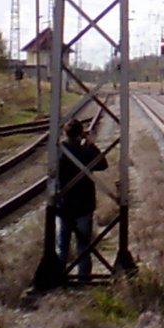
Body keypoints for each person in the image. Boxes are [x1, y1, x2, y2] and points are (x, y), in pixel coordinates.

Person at [56, 119, 107, 280]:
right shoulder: (86, 151)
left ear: (65, 133)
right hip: (84, 204)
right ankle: (84, 277)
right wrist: (91, 144)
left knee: (62, 245)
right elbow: (103, 164)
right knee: (83, 246)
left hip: (64, 204)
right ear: (81, 134)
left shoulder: (60, 151)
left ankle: (59, 276)